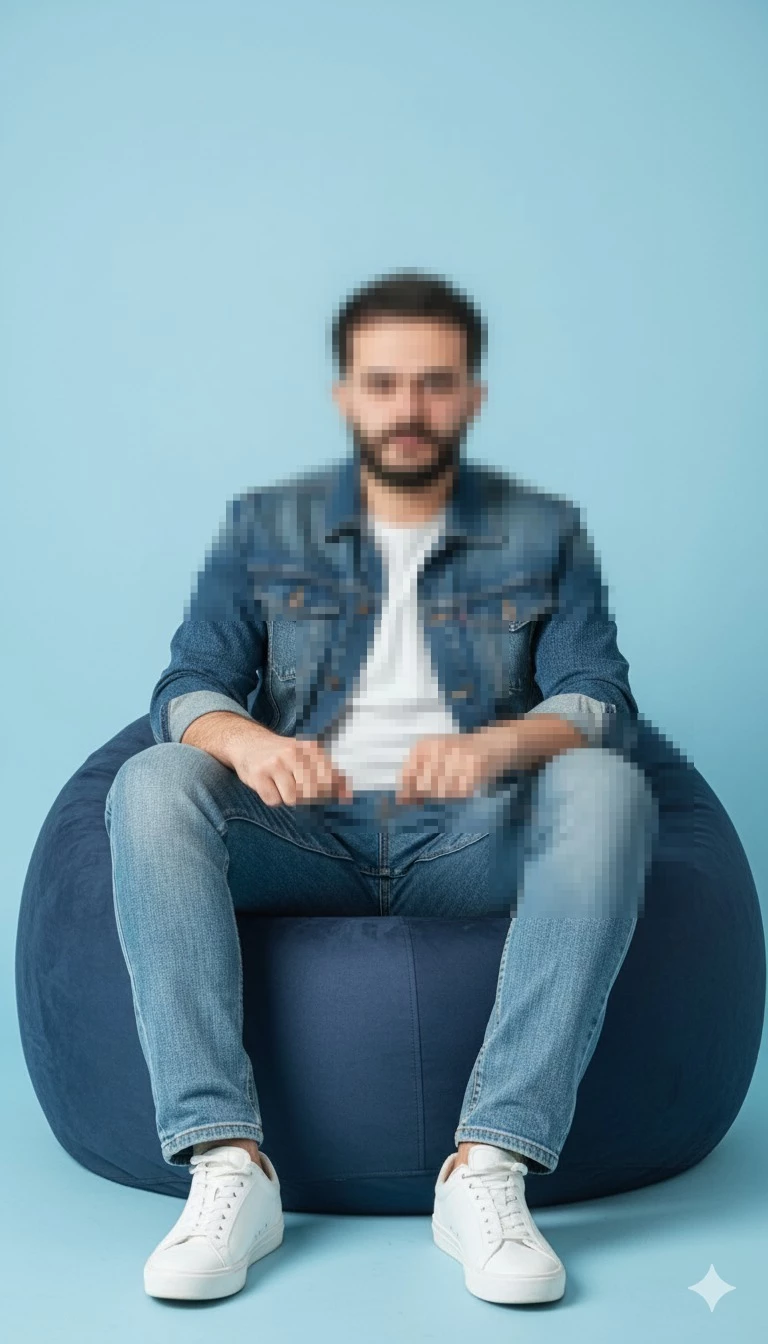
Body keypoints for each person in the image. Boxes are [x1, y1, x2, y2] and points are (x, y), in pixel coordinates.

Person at [104, 268, 658, 1306]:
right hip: (301, 828)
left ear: (473, 398)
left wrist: (501, 747)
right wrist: (243, 742)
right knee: (152, 782)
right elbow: (185, 685)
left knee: (609, 790)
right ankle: (228, 1162)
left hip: (467, 841)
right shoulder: (261, 529)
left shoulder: (549, 535)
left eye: (435, 384)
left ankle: (489, 1165)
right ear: (346, 395)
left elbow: (601, 697)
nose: (409, 410)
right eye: (385, 383)